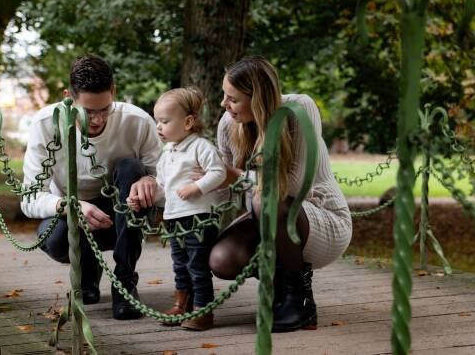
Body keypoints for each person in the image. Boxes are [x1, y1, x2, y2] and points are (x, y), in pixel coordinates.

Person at [208, 56, 352, 332]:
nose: (224, 105)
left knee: (267, 199)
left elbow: (295, 187)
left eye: (233, 99)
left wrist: (235, 176)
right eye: (224, 96)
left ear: (258, 99)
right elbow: (223, 191)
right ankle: (277, 286)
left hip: (320, 217)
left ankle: (299, 302)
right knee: (221, 259)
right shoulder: (229, 123)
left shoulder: (300, 109)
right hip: (265, 217)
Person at [20, 54, 163, 320]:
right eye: (87, 112)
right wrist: (70, 206)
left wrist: (151, 181)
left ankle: (125, 282)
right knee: (54, 240)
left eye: (104, 109)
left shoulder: (137, 122)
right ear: (67, 97)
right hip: (74, 212)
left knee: (132, 167)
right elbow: (28, 198)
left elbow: (168, 183)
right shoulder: (45, 124)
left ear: (114, 92)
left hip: (124, 210)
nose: (97, 120)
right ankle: (88, 267)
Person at [128, 87, 226, 331]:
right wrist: (145, 200)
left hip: (199, 218)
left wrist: (197, 187)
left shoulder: (200, 147)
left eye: (164, 121)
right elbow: (163, 189)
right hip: (174, 220)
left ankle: (203, 310)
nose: (158, 127)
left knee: (197, 266)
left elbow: (218, 172)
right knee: (180, 265)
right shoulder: (167, 153)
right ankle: (181, 304)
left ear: (188, 122)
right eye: (157, 121)